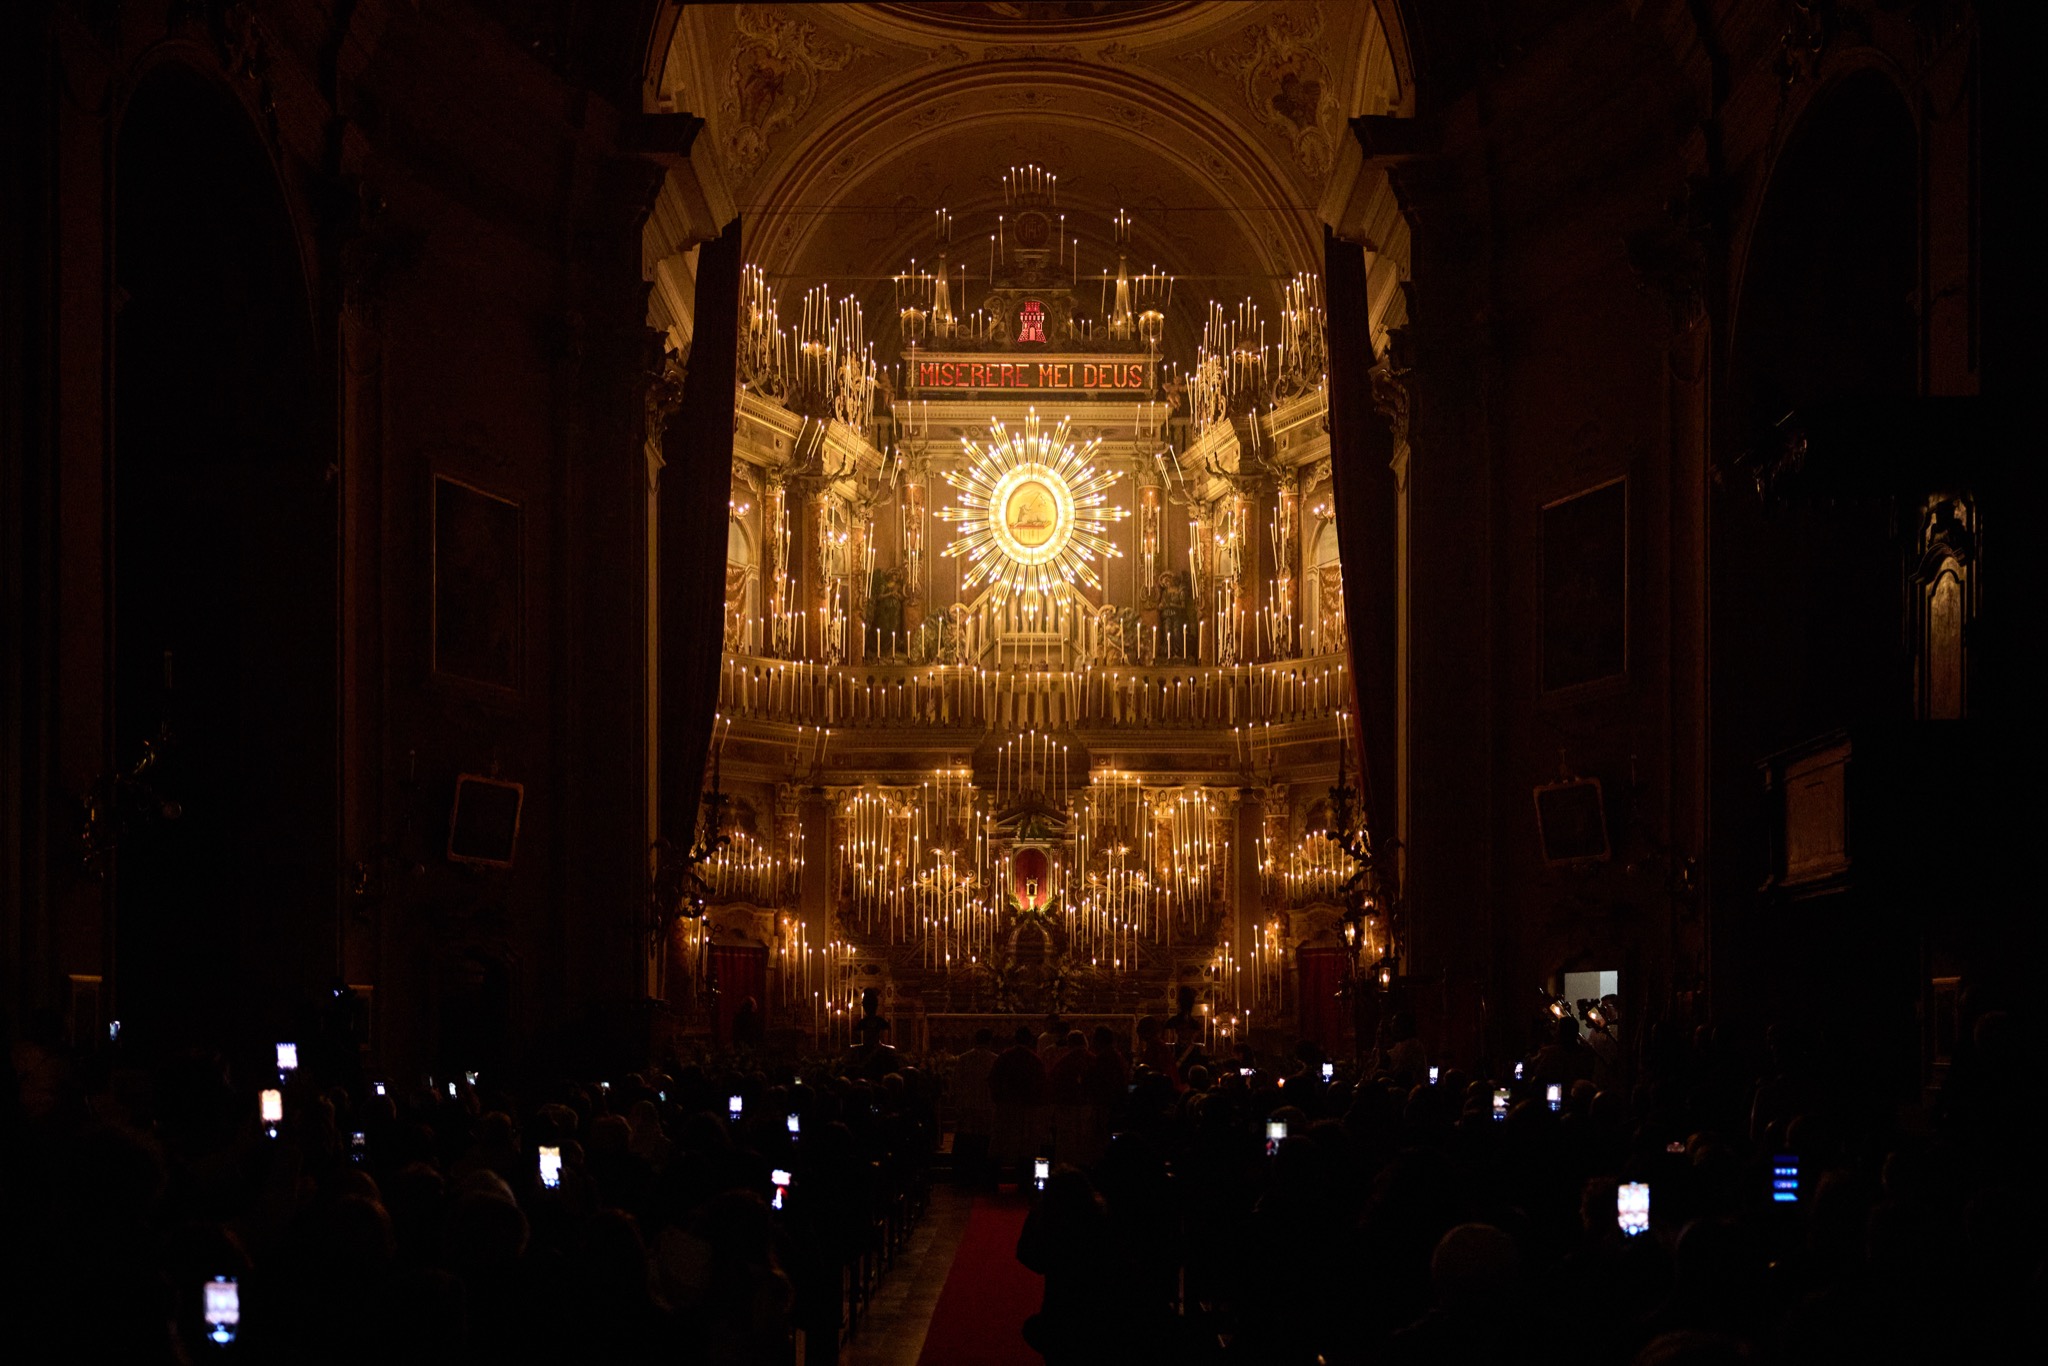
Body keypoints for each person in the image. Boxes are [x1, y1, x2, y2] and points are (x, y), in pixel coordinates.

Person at [989, 1025, 1047, 1186]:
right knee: (1029, 1145)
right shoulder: (1034, 1059)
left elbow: (993, 1079)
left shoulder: (1005, 1057)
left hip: (1007, 1107)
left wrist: (999, 1100)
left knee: (1004, 1142)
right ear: (1029, 1040)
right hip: (1029, 1108)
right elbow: (1041, 1083)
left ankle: (994, 1181)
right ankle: (1031, 1181)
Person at [951, 1027, 999, 1185]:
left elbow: (956, 1082)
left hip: (968, 1104)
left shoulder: (964, 1058)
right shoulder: (995, 1059)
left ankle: (964, 1176)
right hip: (987, 1105)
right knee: (984, 1142)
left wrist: (958, 1103)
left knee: (967, 1142)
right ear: (990, 1041)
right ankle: (984, 1177)